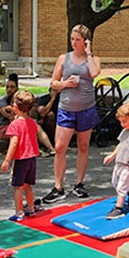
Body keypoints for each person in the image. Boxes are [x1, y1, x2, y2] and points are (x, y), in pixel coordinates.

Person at [40, 24, 101, 204]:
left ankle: (79, 183)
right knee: (60, 147)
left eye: (78, 40)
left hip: (86, 109)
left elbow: (94, 73)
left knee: (83, 146)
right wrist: (65, 84)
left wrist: (89, 53)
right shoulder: (63, 59)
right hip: (66, 109)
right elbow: (53, 83)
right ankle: (58, 186)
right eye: (72, 39)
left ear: (86, 42)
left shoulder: (94, 59)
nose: (74, 43)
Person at [102, 101, 129, 220]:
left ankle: (119, 209)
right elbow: (121, 144)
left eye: (124, 121)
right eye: (121, 122)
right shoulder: (125, 131)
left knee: (121, 187)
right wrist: (112, 155)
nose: (122, 124)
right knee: (115, 183)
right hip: (119, 163)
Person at [0, 90, 41, 221]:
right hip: (31, 158)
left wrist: (7, 160)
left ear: (15, 107)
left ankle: (19, 212)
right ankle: (31, 208)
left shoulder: (15, 125)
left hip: (21, 158)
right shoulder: (32, 122)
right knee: (27, 185)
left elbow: (14, 142)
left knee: (17, 186)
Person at [0, 73, 19, 140]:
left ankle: (49, 148)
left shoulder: (20, 101)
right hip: (4, 128)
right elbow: (10, 116)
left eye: (12, 87)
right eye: (7, 87)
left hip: (16, 126)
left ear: (17, 88)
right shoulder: (1, 103)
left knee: (36, 126)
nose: (9, 89)